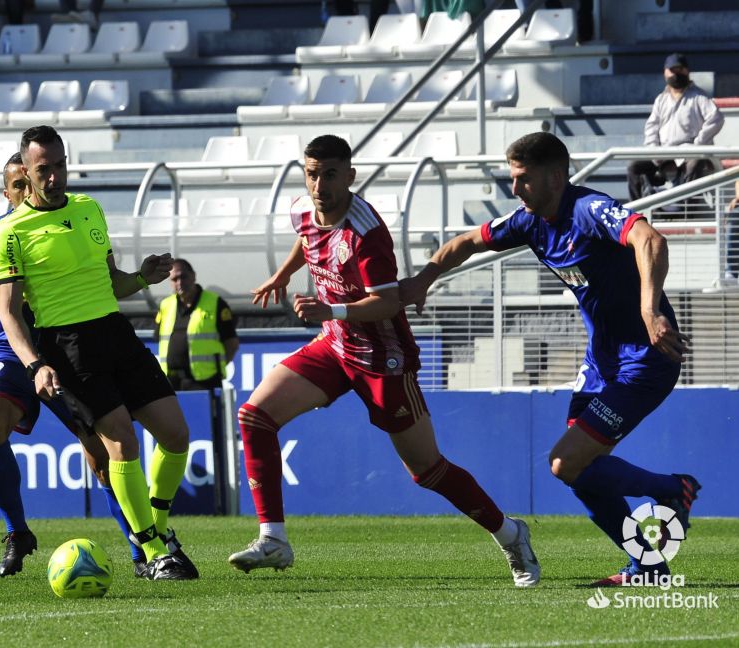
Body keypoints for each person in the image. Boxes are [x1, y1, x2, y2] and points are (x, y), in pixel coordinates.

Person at [227, 135, 540, 588]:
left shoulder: (367, 231)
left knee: (427, 470)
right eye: (312, 173)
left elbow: (387, 302)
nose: (320, 184)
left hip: (383, 358)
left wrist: (330, 309)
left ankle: (511, 534)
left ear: (350, 176)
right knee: (254, 415)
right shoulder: (300, 208)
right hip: (335, 345)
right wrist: (285, 273)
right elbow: (307, 237)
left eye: (330, 174)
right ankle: (273, 537)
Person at [401, 132, 701, 586]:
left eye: (522, 179)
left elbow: (649, 239)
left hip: (646, 359)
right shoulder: (529, 222)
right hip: (602, 363)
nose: (514, 189)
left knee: (565, 463)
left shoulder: (587, 209)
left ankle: (670, 489)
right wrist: (425, 278)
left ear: (556, 177)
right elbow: (467, 242)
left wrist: (650, 308)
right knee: (579, 475)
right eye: (511, 178)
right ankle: (649, 565)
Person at [0, 125, 197, 580]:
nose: (55, 176)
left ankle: (156, 526)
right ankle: (154, 552)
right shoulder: (10, 232)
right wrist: (35, 364)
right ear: (26, 170)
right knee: (121, 440)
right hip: (66, 346)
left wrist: (141, 277)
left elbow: (111, 281)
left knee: (177, 435)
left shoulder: (88, 209)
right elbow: (8, 313)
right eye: (44, 169)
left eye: (60, 166)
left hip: (115, 332)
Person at [0, 153, 150, 577]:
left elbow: (101, 282)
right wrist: (37, 279)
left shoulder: (67, 220)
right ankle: (18, 532)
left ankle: (142, 549)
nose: (25, 193)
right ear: (8, 191)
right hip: (14, 349)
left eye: (27, 184)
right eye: (16, 186)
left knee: (100, 453)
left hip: (67, 344)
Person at [626, 53, 724, 202]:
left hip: (690, 151)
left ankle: (684, 212)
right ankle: (639, 212)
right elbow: (651, 126)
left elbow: (716, 118)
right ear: (665, 72)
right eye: (673, 70)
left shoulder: (699, 97)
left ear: (687, 71)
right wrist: (654, 150)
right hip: (663, 152)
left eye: (680, 69)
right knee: (634, 167)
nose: (676, 74)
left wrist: (698, 144)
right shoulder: (661, 99)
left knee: (694, 164)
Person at [155, 259, 240, 391]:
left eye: (183, 276)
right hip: (171, 381)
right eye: (174, 279)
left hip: (204, 381)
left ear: (193, 276)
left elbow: (232, 343)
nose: (180, 282)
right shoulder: (165, 305)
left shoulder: (215, 303)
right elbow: (158, 338)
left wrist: (216, 368)